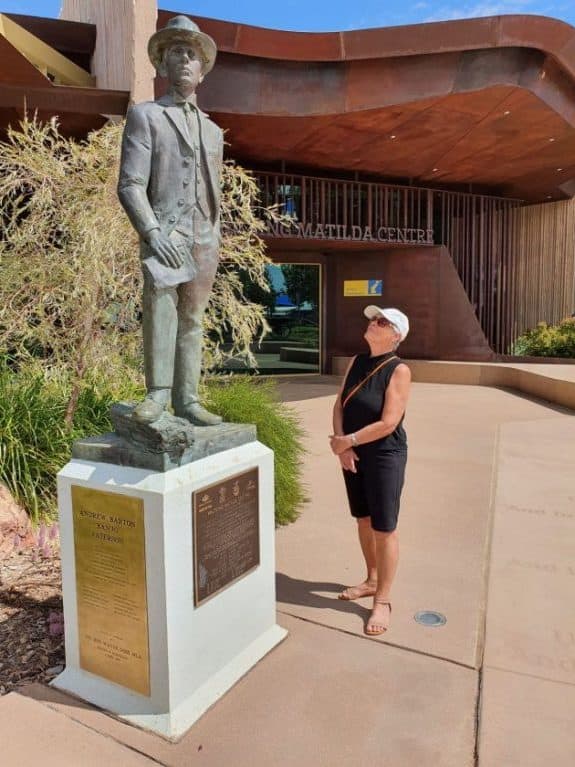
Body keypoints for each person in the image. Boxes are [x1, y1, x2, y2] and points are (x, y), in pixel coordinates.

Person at [117, 15, 223, 426]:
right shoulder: (147, 116)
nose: (184, 59)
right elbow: (130, 184)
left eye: (192, 54)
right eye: (177, 52)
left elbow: (212, 188)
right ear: (162, 63)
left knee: (193, 318)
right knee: (161, 309)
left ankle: (188, 399)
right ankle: (158, 393)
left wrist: (214, 233)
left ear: (203, 70)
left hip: (205, 236)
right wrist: (151, 231)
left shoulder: (213, 131)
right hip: (165, 230)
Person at [329, 306, 411, 636]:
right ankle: (371, 579)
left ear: (396, 335)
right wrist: (343, 445)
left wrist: (348, 440)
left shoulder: (399, 370)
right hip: (353, 452)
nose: (373, 323)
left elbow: (389, 422)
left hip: (384, 455)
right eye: (373, 319)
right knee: (363, 519)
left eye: (382, 321)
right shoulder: (356, 361)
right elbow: (340, 404)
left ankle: (383, 600)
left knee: (384, 527)